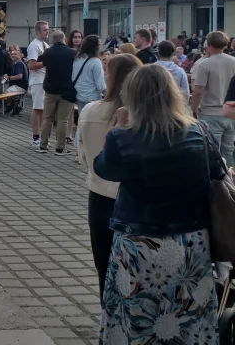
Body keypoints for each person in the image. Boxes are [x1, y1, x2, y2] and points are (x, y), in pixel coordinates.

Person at [93, 63, 224, 343]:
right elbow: (218, 174)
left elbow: (103, 169)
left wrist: (118, 125)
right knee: (189, 315)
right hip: (191, 240)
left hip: (138, 244)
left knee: (136, 316)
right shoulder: (199, 132)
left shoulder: (123, 137)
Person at [77, 53, 141, 299]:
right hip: (136, 199)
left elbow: (82, 154)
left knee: (104, 264)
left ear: (110, 77)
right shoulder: (144, 116)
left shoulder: (90, 111)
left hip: (100, 195)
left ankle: (108, 319)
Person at [191, 30, 235, 167]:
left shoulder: (205, 64)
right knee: (229, 149)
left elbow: (198, 91)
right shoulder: (233, 61)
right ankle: (232, 179)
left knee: (213, 151)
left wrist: (193, 107)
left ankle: (219, 182)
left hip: (211, 112)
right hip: (231, 112)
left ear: (209, 44)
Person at [36, 30, 76, 156]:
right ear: (64, 38)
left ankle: (43, 146)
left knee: (47, 118)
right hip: (67, 90)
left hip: (50, 89)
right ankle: (60, 148)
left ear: (53, 40)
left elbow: (40, 63)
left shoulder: (48, 52)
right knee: (63, 120)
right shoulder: (72, 53)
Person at [72, 35, 106, 123]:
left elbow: (73, 77)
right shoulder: (96, 62)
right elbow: (100, 84)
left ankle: (78, 137)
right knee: (92, 123)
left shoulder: (77, 59)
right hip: (93, 98)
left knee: (82, 122)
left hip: (79, 95)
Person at [27, 21, 50, 146]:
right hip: (37, 81)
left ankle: (41, 135)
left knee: (42, 109)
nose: (47, 32)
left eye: (47, 29)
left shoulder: (45, 44)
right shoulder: (34, 46)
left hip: (45, 79)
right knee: (37, 109)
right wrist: (47, 62)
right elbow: (31, 65)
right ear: (38, 31)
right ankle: (35, 136)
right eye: (44, 30)